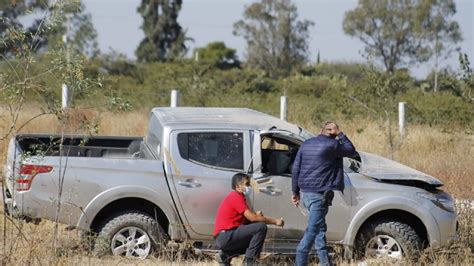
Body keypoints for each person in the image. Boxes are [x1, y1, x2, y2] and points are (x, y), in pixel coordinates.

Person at [291, 122, 357, 266]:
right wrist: (340, 134)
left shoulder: (306, 144)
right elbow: (351, 150)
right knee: (311, 232)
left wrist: (295, 192)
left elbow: (296, 168)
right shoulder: (333, 145)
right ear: (333, 134)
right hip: (318, 198)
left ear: (320, 131)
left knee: (320, 230)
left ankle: (326, 263)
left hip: (306, 195)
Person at [214, 172, 285, 266]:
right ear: (238, 186)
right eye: (247, 184)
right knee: (261, 227)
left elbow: (247, 220)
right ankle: (250, 262)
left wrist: (256, 216)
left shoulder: (238, 197)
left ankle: (225, 256)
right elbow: (252, 218)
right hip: (226, 235)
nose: (249, 187)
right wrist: (275, 221)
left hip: (225, 236)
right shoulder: (235, 197)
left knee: (254, 242)